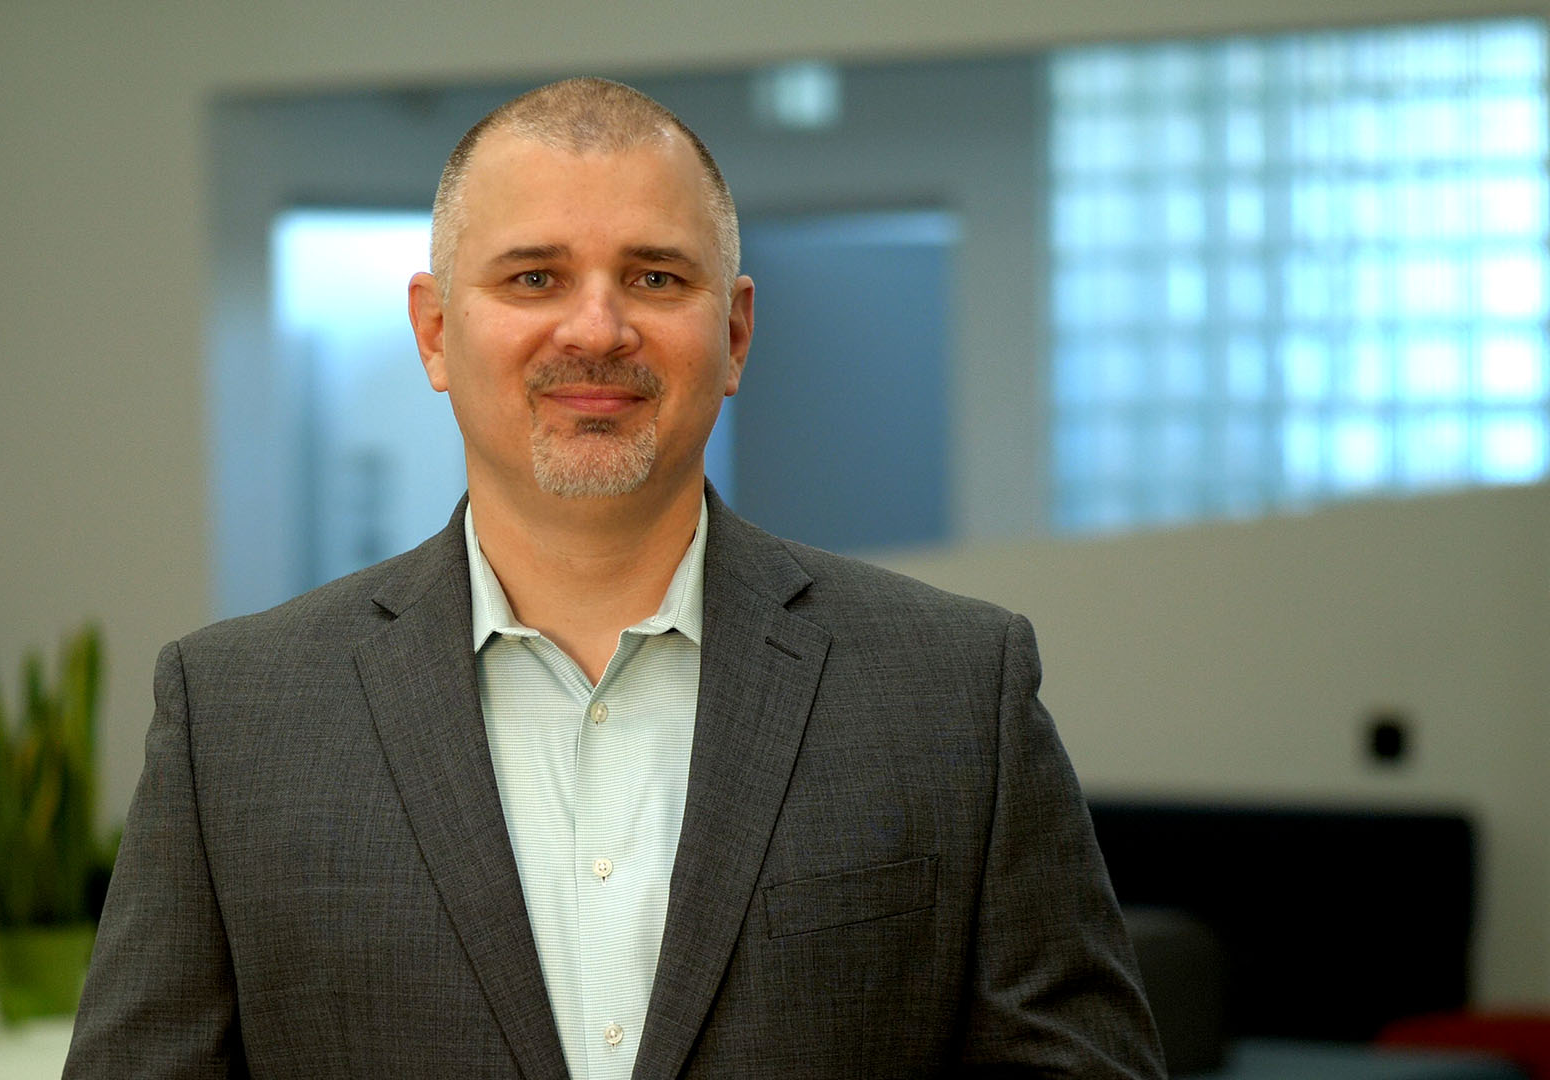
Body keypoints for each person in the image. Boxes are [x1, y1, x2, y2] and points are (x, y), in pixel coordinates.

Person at [63, 77, 1165, 1080]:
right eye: (535, 275)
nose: (597, 328)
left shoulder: (954, 690)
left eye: (654, 275)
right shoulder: (235, 717)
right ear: (436, 331)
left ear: (732, 333)